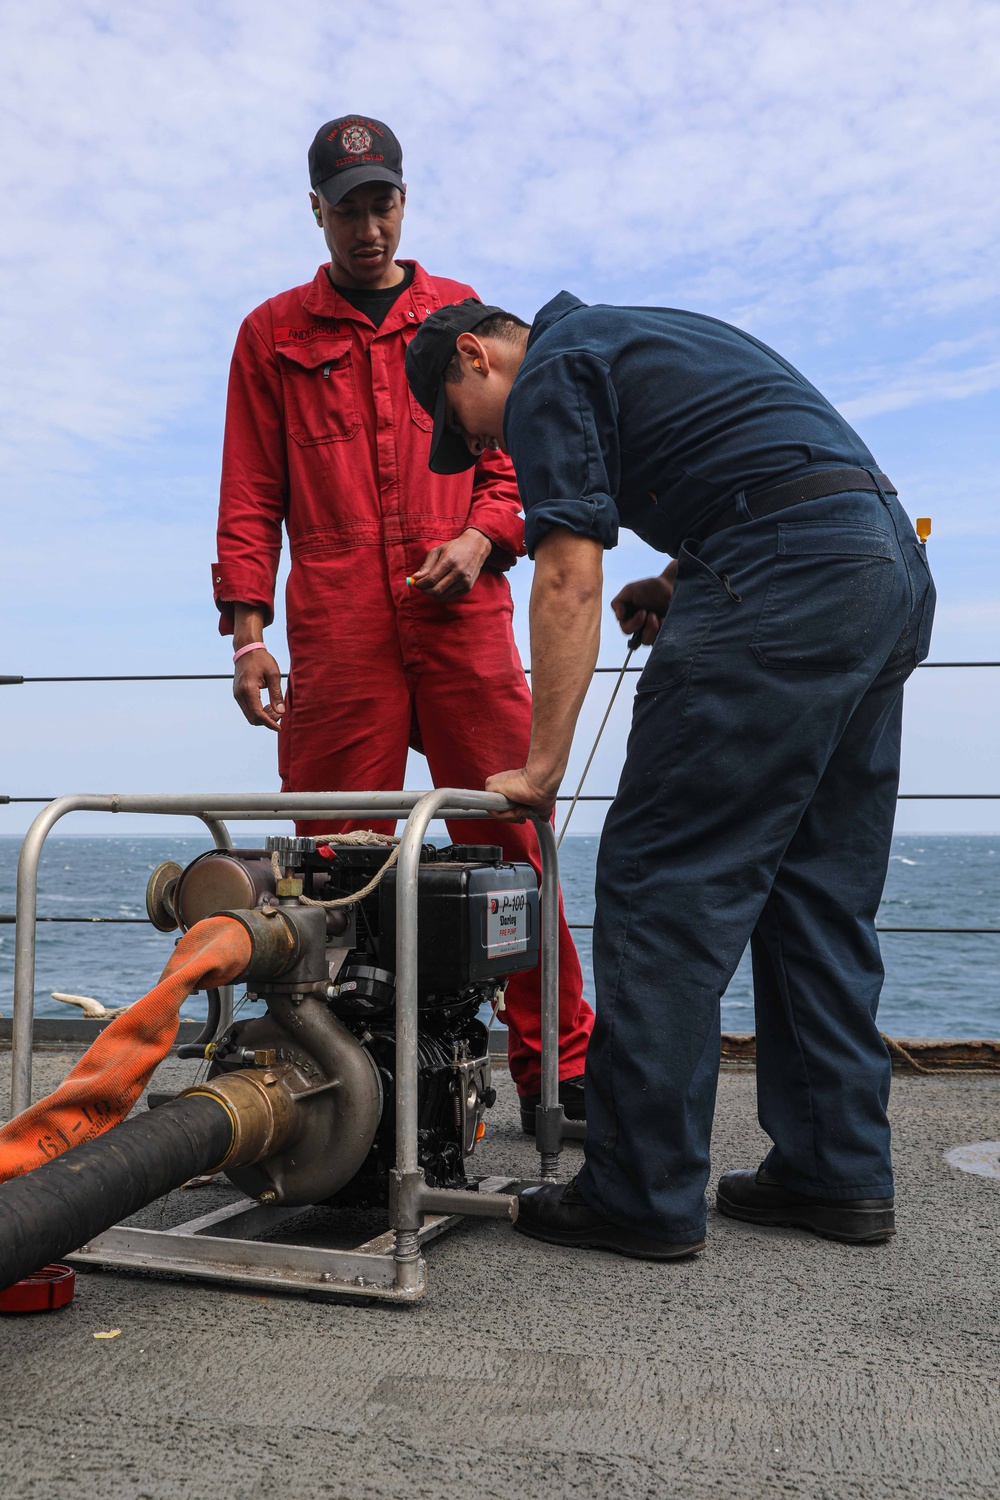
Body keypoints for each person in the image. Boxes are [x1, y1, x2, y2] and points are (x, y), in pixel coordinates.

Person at [404, 292, 936, 1259]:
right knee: (815, 891)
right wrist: (683, 578)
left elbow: (567, 572)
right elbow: (781, 468)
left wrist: (542, 766)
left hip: (786, 581)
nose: (483, 449)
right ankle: (836, 1169)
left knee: (660, 880)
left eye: (461, 428)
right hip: (882, 571)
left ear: (473, 359)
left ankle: (639, 1193)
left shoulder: (553, 370)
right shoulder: (649, 331)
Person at [212, 119, 593, 1119]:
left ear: (404, 201)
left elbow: (516, 453)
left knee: (515, 840)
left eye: (382, 203)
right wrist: (250, 631)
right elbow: (250, 489)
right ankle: (353, 1085)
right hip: (337, 639)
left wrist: (482, 536)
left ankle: (558, 1068)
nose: (368, 227)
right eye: (348, 209)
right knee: (333, 870)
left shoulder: (465, 318)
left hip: (465, 627)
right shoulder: (270, 334)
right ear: (316, 212)